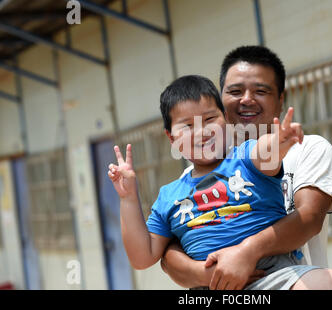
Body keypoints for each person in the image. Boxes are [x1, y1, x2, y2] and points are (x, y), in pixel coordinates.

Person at [160, 45, 332, 290]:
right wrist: (203, 274)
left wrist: (247, 252)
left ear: (280, 99)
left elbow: (309, 218)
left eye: (260, 90)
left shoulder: (309, 148)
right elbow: (168, 249)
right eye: (235, 91)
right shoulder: (194, 175)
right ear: (221, 102)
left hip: (289, 281)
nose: (246, 99)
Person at [108, 74, 319, 290]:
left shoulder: (245, 160)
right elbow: (142, 258)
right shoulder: (169, 196)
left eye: (209, 119)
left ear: (226, 119)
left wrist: (279, 141)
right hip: (209, 286)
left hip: (273, 276)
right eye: (188, 126)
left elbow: (265, 151)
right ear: (171, 138)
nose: (202, 132)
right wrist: (128, 198)